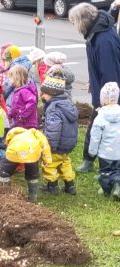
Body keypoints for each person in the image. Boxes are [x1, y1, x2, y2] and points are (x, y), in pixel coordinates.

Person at [69, 3, 120, 173]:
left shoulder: (104, 41)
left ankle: (91, 161)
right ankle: (89, 159)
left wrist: (107, 102)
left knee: (98, 125)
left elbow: (110, 72)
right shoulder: (97, 29)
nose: (74, 27)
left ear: (83, 21)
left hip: (108, 94)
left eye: (74, 22)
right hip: (100, 87)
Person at [40, 68, 78, 195]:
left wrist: (49, 146)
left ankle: (52, 186)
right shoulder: (67, 104)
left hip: (56, 144)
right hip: (68, 144)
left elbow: (53, 128)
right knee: (65, 163)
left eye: (44, 93)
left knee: (50, 164)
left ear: (51, 93)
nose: (42, 96)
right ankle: (70, 185)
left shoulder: (53, 108)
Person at [0, 127, 51, 202]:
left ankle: (4, 194)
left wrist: (8, 145)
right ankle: (33, 196)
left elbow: (8, 137)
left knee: (5, 169)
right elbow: (45, 146)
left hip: (14, 150)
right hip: (32, 152)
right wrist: (47, 160)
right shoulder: (38, 135)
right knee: (32, 173)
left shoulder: (15, 131)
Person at [89, 82, 120, 199]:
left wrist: (92, 151)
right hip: (119, 151)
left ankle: (107, 190)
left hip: (105, 153)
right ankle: (117, 185)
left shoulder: (100, 116)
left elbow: (95, 136)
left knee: (105, 172)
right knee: (117, 170)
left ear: (102, 99)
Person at [7, 64, 38, 129]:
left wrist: (22, 115)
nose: (9, 80)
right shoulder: (18, 91)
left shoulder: (24, 91)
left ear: (17, 78)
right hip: (20, 122)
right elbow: (16, 106)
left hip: (27, 123)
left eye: (10, 77)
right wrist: (10, 114)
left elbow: (32, 102)